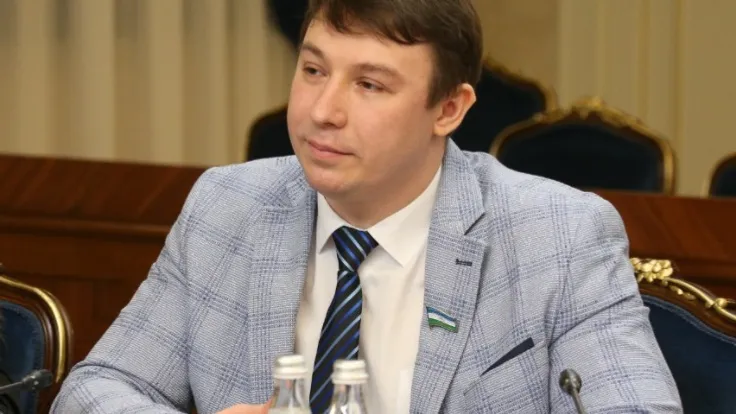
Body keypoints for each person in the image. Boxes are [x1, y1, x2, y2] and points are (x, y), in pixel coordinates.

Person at [51, 0, 682, 412]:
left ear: (449, 109)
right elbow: (96, 389)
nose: (323, 111)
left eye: (370, 85)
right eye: (313, 71)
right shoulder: (228, 209)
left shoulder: (559, 236)